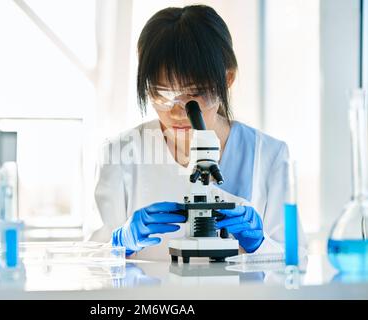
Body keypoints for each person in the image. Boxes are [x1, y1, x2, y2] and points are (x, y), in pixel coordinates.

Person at [85, 5, 306, 261]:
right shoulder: (120, 153)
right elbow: (91, 263)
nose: (178, 111)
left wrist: (260, 246)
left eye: (194, 94)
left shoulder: (268, 154)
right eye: (162, 94)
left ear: (227, 80)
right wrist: (119, 243)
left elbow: (296, 262)